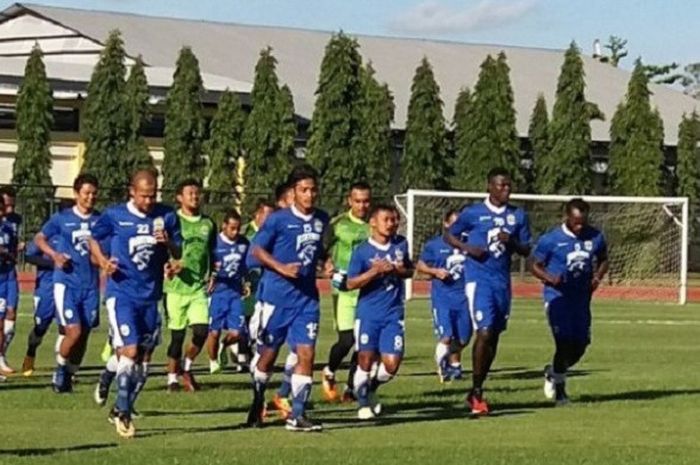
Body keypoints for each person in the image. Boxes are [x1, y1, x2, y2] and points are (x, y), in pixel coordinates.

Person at [88, 169, 181, 438]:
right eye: (144, 196)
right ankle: (123, 411)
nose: (149, 201)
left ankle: (108, 380)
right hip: (122, 295)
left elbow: (178, 252)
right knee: (129, 351)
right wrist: (104, 262)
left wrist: (170, 244)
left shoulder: (166, 216)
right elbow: (93, 238)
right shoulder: (115, 215)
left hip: (151, 297)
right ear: (132, 191)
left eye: (153, 196)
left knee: (142, 359)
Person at [245, 165, 329, 432]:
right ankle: (258, 399)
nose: (310, 195)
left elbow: (318, 250)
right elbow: (256, 250)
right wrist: (281, 268)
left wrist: (326, 263)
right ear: (293, 193)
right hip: (275, 298)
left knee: (307, 353)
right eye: (304, 190)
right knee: (267, 358)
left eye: (313, 190)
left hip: (306, 300)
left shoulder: (321, 219)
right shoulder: (278, 220)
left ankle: (298, 414)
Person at [445, 167, 531, 415]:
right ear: (489, 187)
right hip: (478, 280)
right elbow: (449, 235)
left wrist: (511, 242)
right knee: (483, 330)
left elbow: (526, 250)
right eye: (501, 185)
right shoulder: (473, 213)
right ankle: (478, 392)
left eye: (509, 185)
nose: (506, 190)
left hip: (502, 282)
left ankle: (475, 389)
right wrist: (468, 249)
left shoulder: (518, 216)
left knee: (493, 336)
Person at [531, 198, 608, 405]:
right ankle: (561, 393)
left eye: (583, 221)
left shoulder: (596, 236)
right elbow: (534, 265)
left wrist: (597, 278)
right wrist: (549, 278)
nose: (579, 226)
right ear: (567, 217)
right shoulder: (551, 239)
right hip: (557, 298)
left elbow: (603, 259)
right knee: (563, 342)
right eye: (575, 222)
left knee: (580, 346)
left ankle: (553, 371)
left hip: (581, 299)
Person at [346, 204, 413, 420]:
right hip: (368, 314)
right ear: (373, 222)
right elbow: (350, 283)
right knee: (365, 360)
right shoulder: (362, 251)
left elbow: (409, 270)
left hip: (393, 314)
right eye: (387, 219)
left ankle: (370, 388)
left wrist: (396, 269)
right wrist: (374, 271)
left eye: (394, 220)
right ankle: (363, 402)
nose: (392, 224)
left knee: (392, 365)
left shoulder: (401, 244)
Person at [34, 174, 101, 393]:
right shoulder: (62, 218)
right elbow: (39, 239)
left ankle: (69, 376)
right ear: (76, 194)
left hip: (90, 285)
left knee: (85, 333)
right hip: (66, 284)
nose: (90, 197)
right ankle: (60, 370)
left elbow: (105, 249)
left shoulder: (100, 220)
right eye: (86, 193)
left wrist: (103, 259)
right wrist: (55, 255)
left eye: (93, 193)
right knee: (73, 331)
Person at [163, 179, 216, 392]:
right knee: (177, 337)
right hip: (175, 288)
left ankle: (187, 366)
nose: (195, 197)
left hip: (197, 288)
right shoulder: (172, 220)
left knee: (202, 331)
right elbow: (161, 247)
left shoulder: (208, 224)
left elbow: (212, 252)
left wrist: (213, 273)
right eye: (190, 193)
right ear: (179, 197)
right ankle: (172, 379)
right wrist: (166, 266)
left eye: (197, 193)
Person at [321, 182, 371, 402]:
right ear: (349, 201)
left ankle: (351, 388)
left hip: (368, 292)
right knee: (347, 340)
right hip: (343, 291)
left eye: (366, 201)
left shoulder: (375, 224)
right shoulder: (338, 224)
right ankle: (329, 371)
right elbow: (321, 248)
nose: (362, 206)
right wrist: (327, 263)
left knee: (364, 344)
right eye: (357, 201)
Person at [417, 209, 471, 383]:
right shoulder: (434, 245)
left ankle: (452, 363)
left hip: (465, 299)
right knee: (446, 336)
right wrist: (435, 271)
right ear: (446, 224)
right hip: (443, 298)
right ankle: (445, 368)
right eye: (454, 223)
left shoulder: (469, 245)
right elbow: (420, 266)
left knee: (463, 338)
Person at [206, 210, 249, 374]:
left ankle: (224, 346)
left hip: (235, 293)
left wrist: (247, 281)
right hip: (217, 293)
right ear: (224, 226)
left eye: (238, 228)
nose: (235, 232)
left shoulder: (243, 243)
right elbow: (206, 263)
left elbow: (245, 266)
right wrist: (209, 277)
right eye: (232, 228)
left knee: (237, 332)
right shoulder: (214, 243)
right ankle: (213, 362)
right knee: (214, 332)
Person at [21, 236, 61, 376]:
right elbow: (29, 257)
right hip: (46, 289)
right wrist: (53, 263)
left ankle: (63, 369)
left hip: (68, 287)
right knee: (40, 327)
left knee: (67, 328)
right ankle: (30, 353)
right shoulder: (47, 234)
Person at [0, 186, 22, 367]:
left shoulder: (13, 222)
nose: (9, 210)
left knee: (11, 314)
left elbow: (12, 246)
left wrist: (14, 251)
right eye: (6, 206)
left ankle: (2, 356)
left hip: (10, 273)